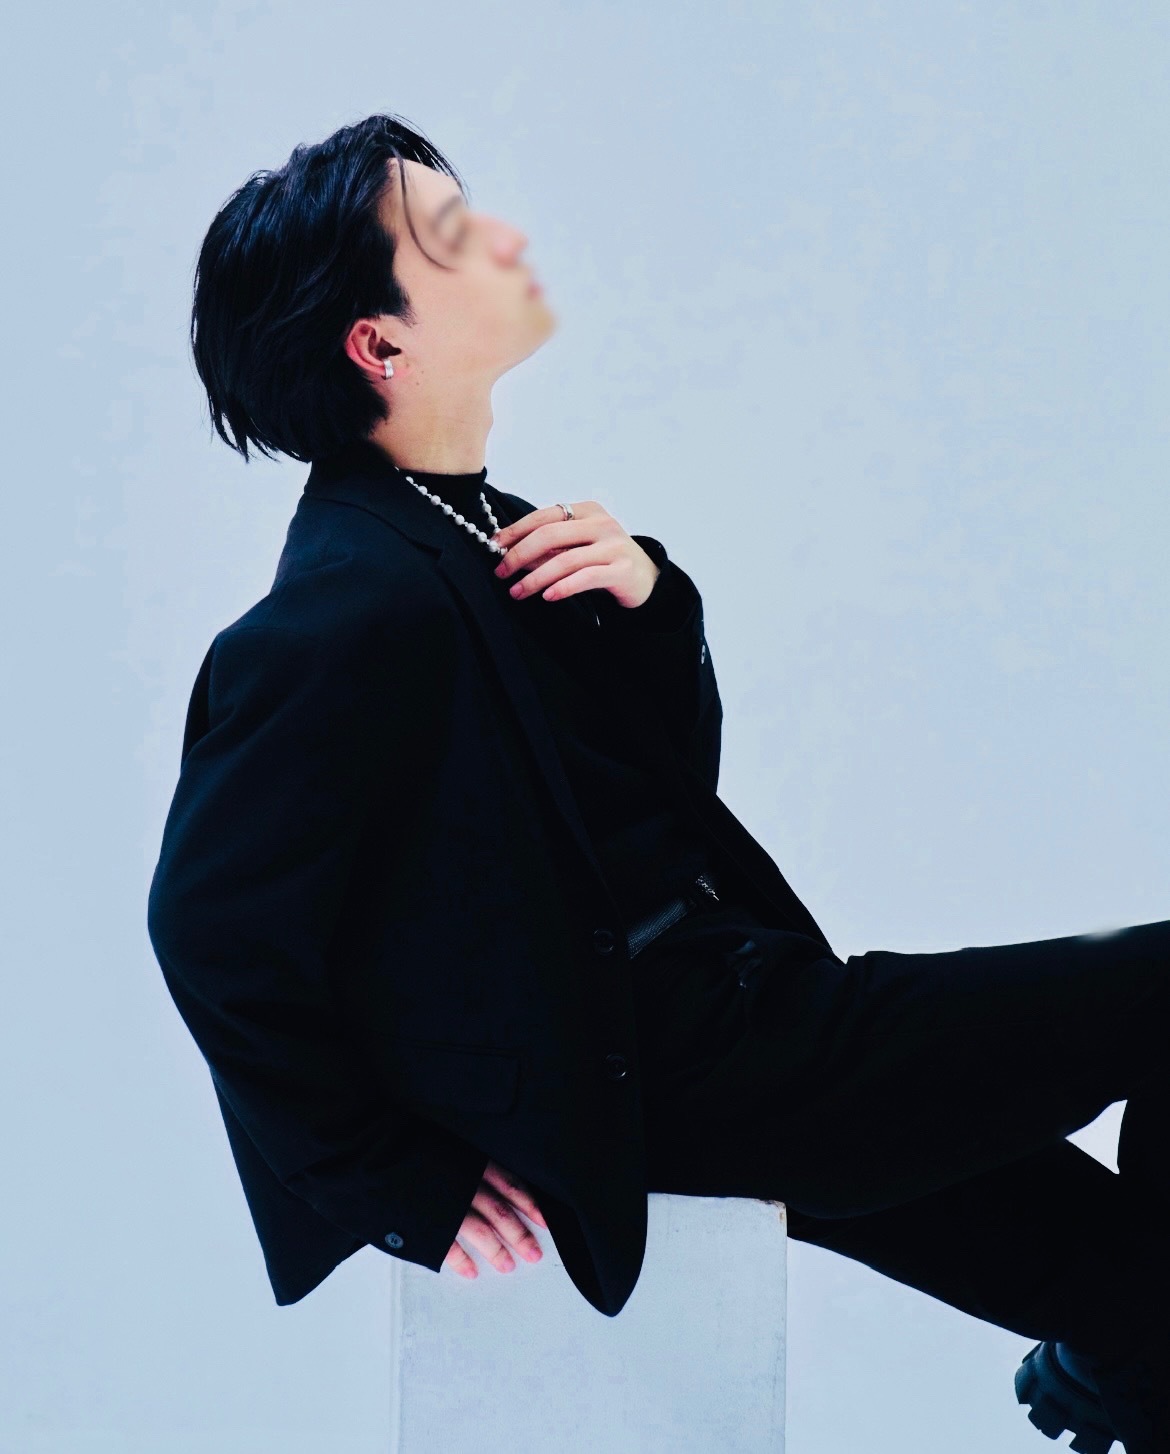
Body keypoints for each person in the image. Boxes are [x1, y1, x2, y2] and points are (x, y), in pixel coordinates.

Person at [147, 113, 1169, 1450]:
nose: (504, 236)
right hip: (699, 1070)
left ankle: (1120, 1370)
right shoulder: (347, 604)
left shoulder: (488, 532)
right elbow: (211, 931)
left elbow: (651, 801)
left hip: (742, 1017)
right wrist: (391, 1183)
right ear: (379, 346)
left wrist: (649, 605)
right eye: (452, 235)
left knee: (1138, 1293)